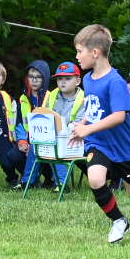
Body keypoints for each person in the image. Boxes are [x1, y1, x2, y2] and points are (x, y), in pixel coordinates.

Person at [68, 24, 130, 243]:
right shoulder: (88, 79)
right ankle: (119, 221)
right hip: (99, 142)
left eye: (79, 51)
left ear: (95, 52)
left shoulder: (116, 82)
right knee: (95, 179)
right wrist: (83, 125)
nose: (77, 56)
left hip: (123, 145)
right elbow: (93, 107)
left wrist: (87, 129)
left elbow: (119, 116)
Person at [37, 61, 85, 189]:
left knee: (59, 146)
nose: (62, 82)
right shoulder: (52, 95)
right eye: (59, 79)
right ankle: (29, 182)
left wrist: (62, 131)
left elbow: (79, 124)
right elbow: (46, 116)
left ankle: (61, 184)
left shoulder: (83, 98)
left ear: (77, 81)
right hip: (52, 135)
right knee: (35, 146)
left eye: (67, 79)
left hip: (75, 138)